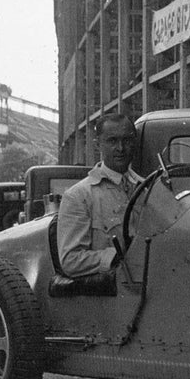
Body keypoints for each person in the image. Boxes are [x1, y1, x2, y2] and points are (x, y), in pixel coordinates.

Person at [57, 114, 142, 278]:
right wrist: (116, 256)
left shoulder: (148, 188)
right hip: (113, 294)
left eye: (127, 140)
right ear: (98, 145)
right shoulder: (79, 196)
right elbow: (70, 260)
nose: (121, 148)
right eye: (112, 141)